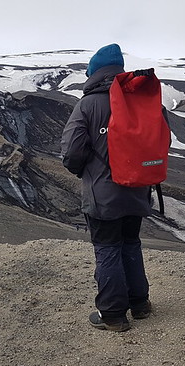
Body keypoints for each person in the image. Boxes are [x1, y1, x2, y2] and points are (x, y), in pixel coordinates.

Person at [59, 43, 156, 332]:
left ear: (94, 72)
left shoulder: (88, 105)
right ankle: (139, 304)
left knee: (108, 248)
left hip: (103, 195)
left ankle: (112, 314)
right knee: (131, 243)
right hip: (138, 189)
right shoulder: (140, 98)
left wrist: (85, 171)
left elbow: (72, 152)